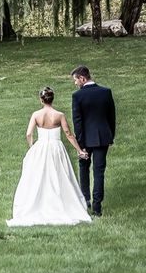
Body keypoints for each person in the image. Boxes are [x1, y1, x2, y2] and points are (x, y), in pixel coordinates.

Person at [7, 87, 92, 227]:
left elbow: (28, 133)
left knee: (38, 175)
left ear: (41, 100)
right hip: (56, 148)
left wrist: (32, 146)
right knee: (60, 175)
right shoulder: (59, 115)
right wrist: (80, 150)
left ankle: (40, 202)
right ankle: (62, 203)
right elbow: (69, 134)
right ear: (52, 99)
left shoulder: (36, 114)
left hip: (41, 148)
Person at [71, 65, 116, 217]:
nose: (75, 84)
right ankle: (97, 206)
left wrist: (80, 145)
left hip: (85, 140)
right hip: (103, 138)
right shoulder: (106, 92)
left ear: (82, 78)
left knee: (84, 168)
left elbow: (77, 122)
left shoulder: (78, 96)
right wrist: (111, 136)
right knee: (99, 171)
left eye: (76, 80)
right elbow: (112, 118)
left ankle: (85, 200)